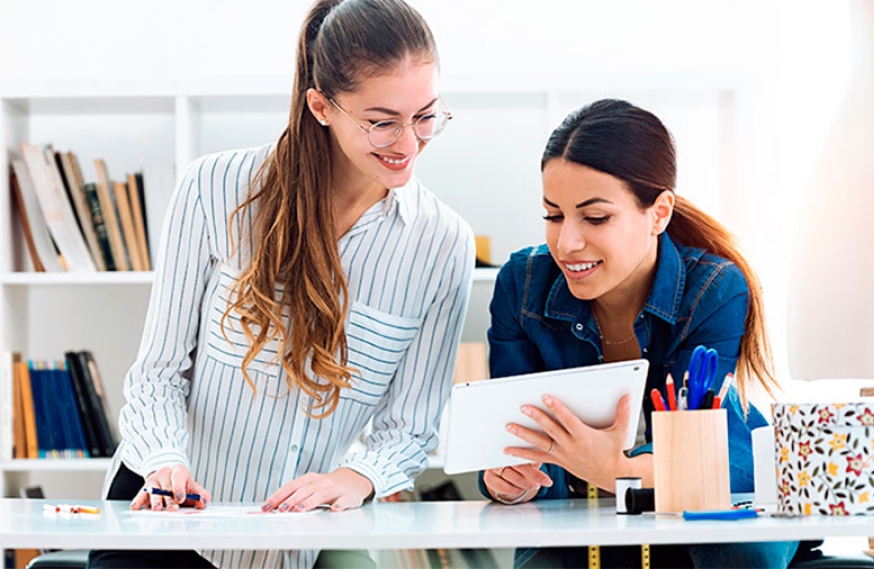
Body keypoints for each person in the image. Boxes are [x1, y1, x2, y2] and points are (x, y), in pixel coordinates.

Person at [88, 0, 473, 567]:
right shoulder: (212, 189)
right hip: (167, 523)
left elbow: (412, 426)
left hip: (291, 543)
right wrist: (164, 460)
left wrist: (358, 475)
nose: (409, 143)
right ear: (321, 105)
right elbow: (157, 374)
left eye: (426, 116)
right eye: (382, 121)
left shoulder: (443, 245)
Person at [479, 99, 798, 568]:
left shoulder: (715, 290)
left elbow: (705, 458)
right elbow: (508, 442)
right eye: (553, 215)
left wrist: (618, 469)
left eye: (596, 218)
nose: (567, 242)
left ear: (659, 213)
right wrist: (507, 482)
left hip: (701, 516)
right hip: (576, 522)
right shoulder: (521, 285)